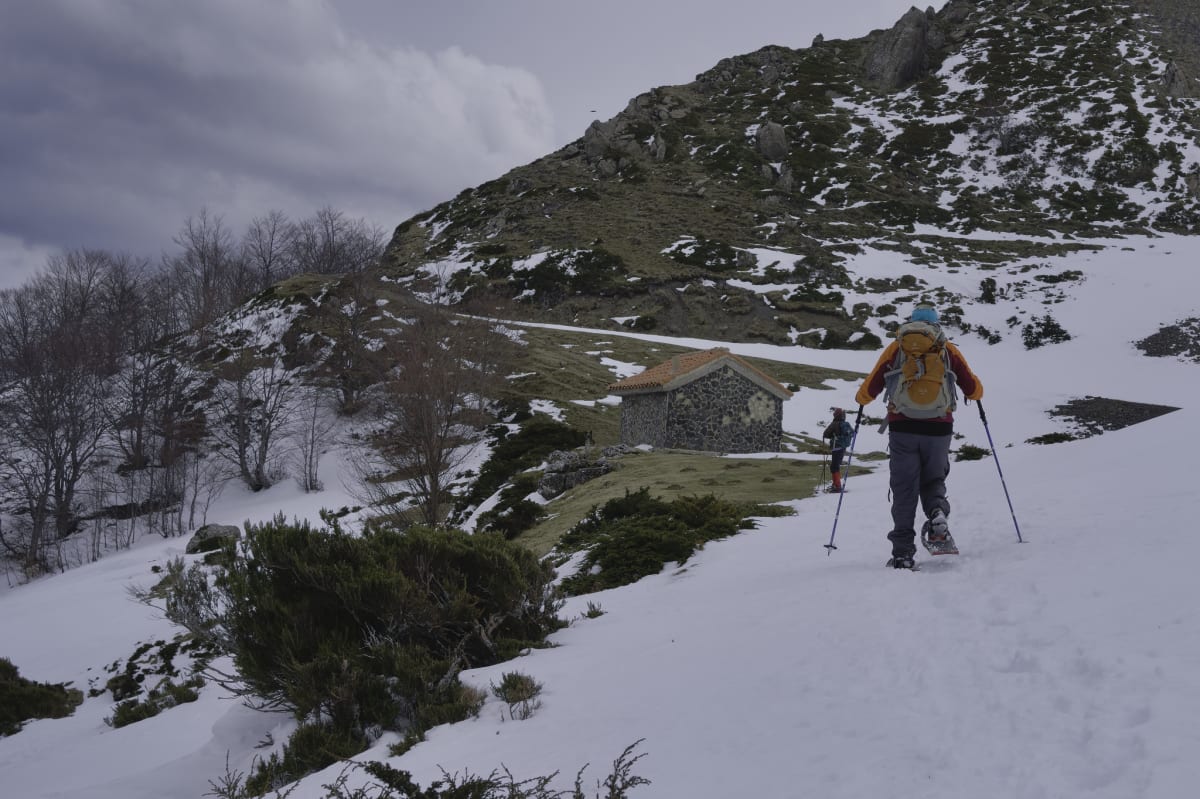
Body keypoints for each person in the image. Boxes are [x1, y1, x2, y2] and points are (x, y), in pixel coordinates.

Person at [854, 303, 983, 569]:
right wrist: (975, 392)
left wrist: (861, 399)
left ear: (911, 323)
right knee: (933, 479)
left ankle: (902, 553)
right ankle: (937, 513)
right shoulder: (947, 349)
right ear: (936, 325)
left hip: (903, 428)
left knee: (904, 489)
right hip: (939, 427)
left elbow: (871, 385)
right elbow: (973, 388)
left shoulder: (897, 347)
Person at [822, 407, 853, 493]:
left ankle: (837, 486)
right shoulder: (846, 424)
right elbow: (852, 433)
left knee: (834, 466)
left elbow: (825, 434)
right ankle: (836, 484)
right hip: (843, 447)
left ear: (836, 415)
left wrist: (833, 436)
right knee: (836, 466)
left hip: (836, 447)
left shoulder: (834, 423)